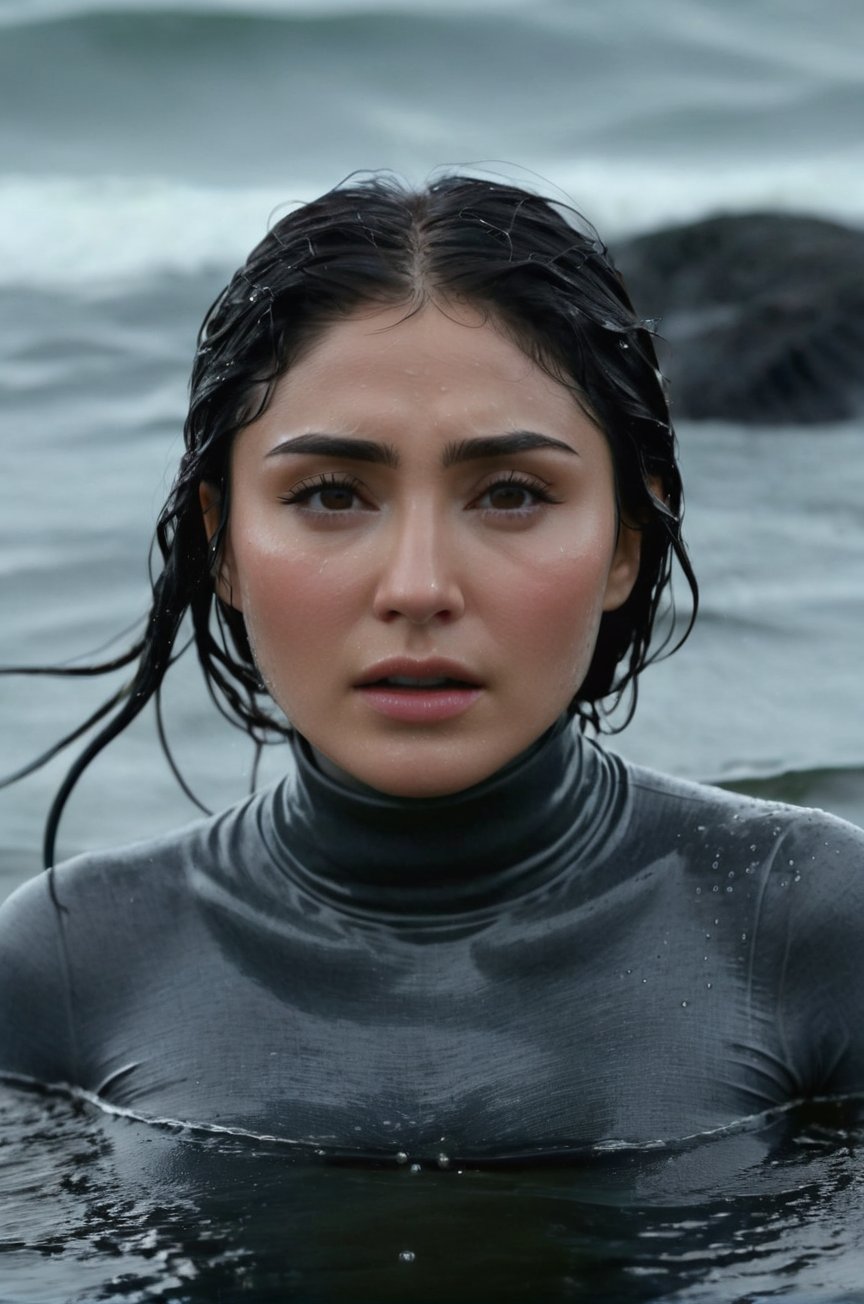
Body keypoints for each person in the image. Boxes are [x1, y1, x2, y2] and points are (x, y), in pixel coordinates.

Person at [1, 174, 863, 1164]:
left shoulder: (808, 925)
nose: (419, 586)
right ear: (223, 539)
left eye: (510, 492)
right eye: (330, 494)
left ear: (628, 537)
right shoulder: (68, 968)